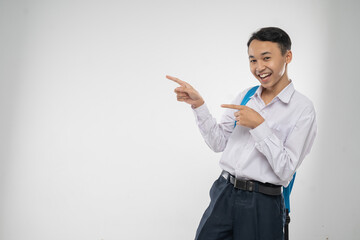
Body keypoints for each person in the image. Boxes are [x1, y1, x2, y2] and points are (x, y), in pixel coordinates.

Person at [167, 27, 317, 240]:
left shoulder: (302, 109)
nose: (259, 67)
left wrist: (259, 126)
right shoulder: (245, 96)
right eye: (253, 60)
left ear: (287, 56)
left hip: (262, 203)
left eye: (266, 58)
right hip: (224, 192)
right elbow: (218, 143)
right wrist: (199, 106)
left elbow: (286, 170)